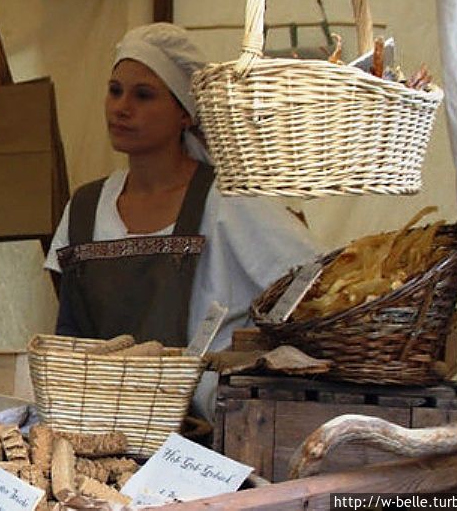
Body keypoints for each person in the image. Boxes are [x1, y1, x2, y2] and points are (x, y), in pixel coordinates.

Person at [44, 23, 320, 419]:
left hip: (202, 425)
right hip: (102, 420)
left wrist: (253, 348)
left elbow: (315, 280)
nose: (121, 107)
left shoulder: (227, 199)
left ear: (184, 114)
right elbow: (71, 328)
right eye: (115, 90)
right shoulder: (86, 207)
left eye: (144, 95)